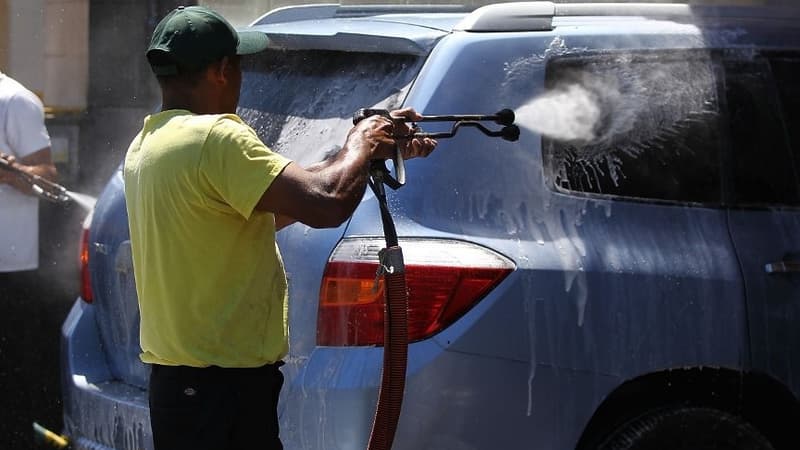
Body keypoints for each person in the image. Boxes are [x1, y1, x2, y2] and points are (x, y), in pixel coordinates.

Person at [123, 6, 436, 450]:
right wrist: (362, 142)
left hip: (186, 391)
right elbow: (324, 204)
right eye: (239, 67)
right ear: (220, 70)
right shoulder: (216, 137)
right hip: (221, 392)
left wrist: (366, 157)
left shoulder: (152, 141)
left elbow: (278, 205)